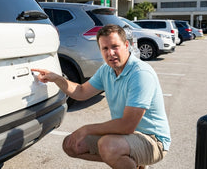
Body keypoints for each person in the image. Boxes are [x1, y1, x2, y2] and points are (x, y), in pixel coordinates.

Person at [32, 24, 170, 169]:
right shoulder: (106, 70)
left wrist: (86, 129)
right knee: (71, 145)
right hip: (126, 138)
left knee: (108, 146)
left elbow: (127, 125)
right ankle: (132, 162)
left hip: (153, 141)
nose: (110, 53)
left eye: (115, 46)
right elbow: (81, 91)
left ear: (126, 45)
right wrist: (56, 78)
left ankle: (133, 160)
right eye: (105, 48)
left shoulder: (140, 74)